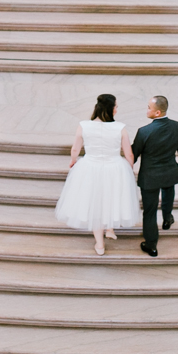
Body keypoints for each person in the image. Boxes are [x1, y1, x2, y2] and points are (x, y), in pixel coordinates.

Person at [55, 94, 139, 255]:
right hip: (114, 166)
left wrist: (73, 161)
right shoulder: (120, 128)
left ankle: (100, 244)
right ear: (111, 109)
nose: (116, 109)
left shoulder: (84, 125)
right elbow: (129, 153)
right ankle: (109, 229)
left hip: (90, 166)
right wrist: (129, 168)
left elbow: (75, 149)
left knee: (95, 202)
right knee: (112, 197)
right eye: (116, 106)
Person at [132, 95, 178, 257]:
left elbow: (134, 154)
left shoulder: (144, 132)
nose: (147, 110)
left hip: (149, 177)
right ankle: (167, 219)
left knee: (149, 211)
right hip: (170, 172)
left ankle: (151, 245)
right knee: (168, 194)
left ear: (157, 112)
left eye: (149, 108)